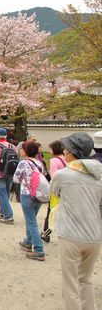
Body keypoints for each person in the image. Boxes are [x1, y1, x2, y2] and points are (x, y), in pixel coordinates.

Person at [51, 132, 102, 309]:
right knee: (85, 279)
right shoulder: (99, 175)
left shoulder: (63, 175)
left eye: (66, 148)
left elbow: (55, 193)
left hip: (70, 234)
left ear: (72, 152)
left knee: (71, 283)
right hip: (95, 235)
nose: (64, 151)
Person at [14, 140, 46, 261]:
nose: (20, 151)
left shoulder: (23, 163)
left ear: (26, 151)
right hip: (38, 194)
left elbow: (16, 179)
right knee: (31, 219)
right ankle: (28, 241)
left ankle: (39, 250)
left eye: (22, 149)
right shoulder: (39, 162)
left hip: (27, 194)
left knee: (31, 222)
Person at [40, 140, 66, 243]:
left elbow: (54, 176)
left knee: (51, 211)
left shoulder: (54, 160)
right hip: (66, 188)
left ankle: (46, 233)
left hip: (57, 190)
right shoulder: (66, 159)